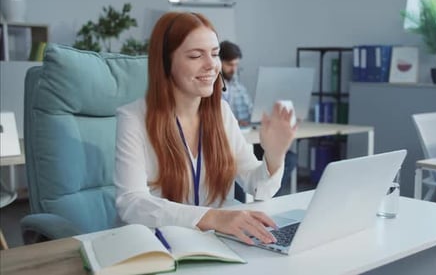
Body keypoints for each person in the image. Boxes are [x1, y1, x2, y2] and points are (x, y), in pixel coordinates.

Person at [114, 12, 296, 245]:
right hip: (162, 245)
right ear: (165, 63)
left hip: (221, 243)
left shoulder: (221, 112)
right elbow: (131, 202)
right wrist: (212, 217)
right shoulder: (134, 118)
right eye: (196, 56)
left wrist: (274, 156)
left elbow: (258, 188)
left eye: (215, 54)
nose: (211, 65)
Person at [219, 40, 298, 197]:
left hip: (250, 137)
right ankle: (246, 198)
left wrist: (259, 117)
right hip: (232, 141)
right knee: (238, 169)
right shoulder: (210, 92)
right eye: (229, 64)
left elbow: (250, 111)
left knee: (289, 158)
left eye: (236, 65)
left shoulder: (238, 87)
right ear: (218, 61)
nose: (233, 69)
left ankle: (267, 196)